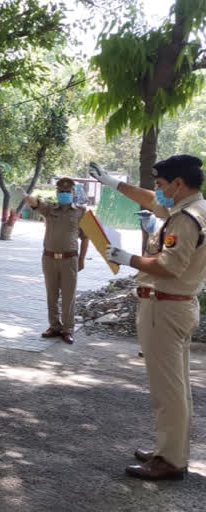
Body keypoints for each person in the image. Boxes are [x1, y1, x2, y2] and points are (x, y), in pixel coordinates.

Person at [91, 156, 206, 480]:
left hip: (165, 308)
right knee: (176, 388)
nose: (158, 191)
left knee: (167, 390)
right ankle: (170, 450)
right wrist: (113, 184)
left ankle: (170, 461)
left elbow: (169, 266)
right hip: (178, 306)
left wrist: (129, 259)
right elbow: (152, 200)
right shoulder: (195, 207)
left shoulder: (184, 217)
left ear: (178, 184)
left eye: (161, 184)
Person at [19, 178, 89, 344]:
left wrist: (82, 260)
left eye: (67, 192)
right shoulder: (50, 209)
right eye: (61, 192)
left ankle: (68, 329)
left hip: (70, 259)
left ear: (73, 194)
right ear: (57, 193)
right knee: (51, 294)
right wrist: (26, 196)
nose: (64, 195)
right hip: (49, 258)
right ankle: (54, 326)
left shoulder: (81, 211)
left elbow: (85, 238)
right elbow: (36, 204)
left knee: (68, 295)